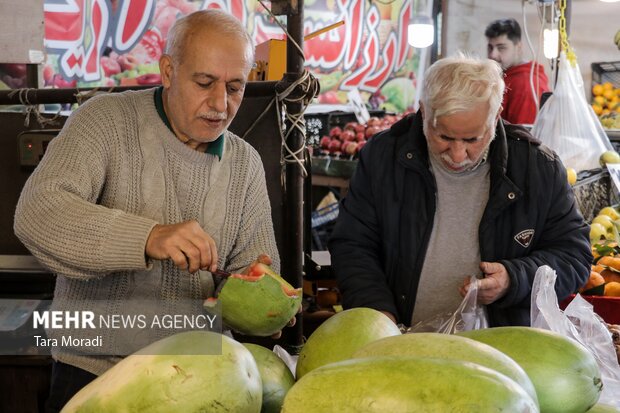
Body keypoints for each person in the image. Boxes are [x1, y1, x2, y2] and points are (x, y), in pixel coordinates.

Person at [14, 10, 282, 411]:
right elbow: (37, 213)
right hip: (93, 370)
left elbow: (255, 268)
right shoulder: (104, 120)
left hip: (197, 379)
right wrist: (148, 237)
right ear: (169, 71)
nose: (221, 103)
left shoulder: (246, 164)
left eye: (236, 87)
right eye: (205, 82)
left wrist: (263, 299)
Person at [328, 54, 591, 330]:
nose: (457, 154)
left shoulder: (536, 168)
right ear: (423, 112)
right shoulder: (384, 157)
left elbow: (574, 256)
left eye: (472, 139)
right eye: (443, 136)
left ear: (496, 116)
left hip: (501, 355)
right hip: (400, 342)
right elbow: (353, 245)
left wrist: (513, 279)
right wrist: (378, 316)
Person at [485, 18, 550, 125]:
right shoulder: (508, 75)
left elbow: (522, 137)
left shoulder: (525, 86)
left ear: (518, 47)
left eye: (501, 48)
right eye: (490, 47)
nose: (492, 55)